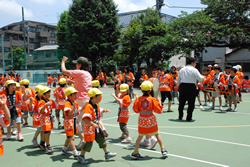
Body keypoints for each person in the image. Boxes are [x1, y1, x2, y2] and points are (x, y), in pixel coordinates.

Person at [78, 88, 116, 164]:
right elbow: (85, 118)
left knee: (102, 139)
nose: (100, 97)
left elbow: (98, 116)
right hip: (89, 128)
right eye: (99, 96)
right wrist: (92, 124)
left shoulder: (97, 106)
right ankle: (81, 156)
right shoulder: (88, 106)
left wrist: (102, 127)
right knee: (88, 143)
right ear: (94, 97)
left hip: (96, 127)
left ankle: (107, 153)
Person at [131, 81, 168, 159]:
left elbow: (135, 110)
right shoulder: (153, 99)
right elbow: (159, 111)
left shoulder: (138, 100)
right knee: (157, 134)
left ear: (141, 90)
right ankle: (163, 149)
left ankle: (135, 151)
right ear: (150, 90)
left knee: (140, 136)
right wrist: (160, 101)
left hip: (142, 120)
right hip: (151, 120)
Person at [61, 56, 92, 149]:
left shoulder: (79, 72)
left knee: (74, 120)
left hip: (80, 100)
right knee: (84, 121)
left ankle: (83, 139)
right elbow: (81, 82)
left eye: (77, 63)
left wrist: (63, 62)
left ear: (80, 65)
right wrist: (72, 81)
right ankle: (85, 140)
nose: (75, 65)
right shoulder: (87, 74)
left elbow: (64, 71)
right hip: (87, 99)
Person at [177, 57, 204, 121]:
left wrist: (178, 86)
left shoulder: (182, 70)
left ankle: (180, 116)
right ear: (192, 63)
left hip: (183, 86)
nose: (195, 64)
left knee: (181, 102)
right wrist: (203, 77)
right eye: (195, 63)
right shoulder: (194, 70)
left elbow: (178, 79)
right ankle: (189, 117)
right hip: (191, 86)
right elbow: (200, 79)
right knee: (191, 103)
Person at [61, 87, 85, 159]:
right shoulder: (67, 103)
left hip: (74, 121)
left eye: (75, 94)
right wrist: (73, 109)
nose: (76, 96)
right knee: (72, 137)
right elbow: (68, 114)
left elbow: (77, 112)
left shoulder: (75, 103)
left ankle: (64, 149)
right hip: (68, 122)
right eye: (74, 94)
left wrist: (84, 106)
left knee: (69, 137)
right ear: (69, 95)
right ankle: (75, 152)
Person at [38, 86, 59, 153]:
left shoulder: (50, 101)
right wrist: (45, 105)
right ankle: (48, 145)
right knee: (47, 132)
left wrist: (57, 96)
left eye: (50, 93)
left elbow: (56, 104)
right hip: (44, 118)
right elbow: (41, 111)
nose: (50, 95)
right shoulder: (41, 102)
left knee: (46, 132)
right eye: (48, 93)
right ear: (43, 95)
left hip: (49, 118)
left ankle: (42, 143)